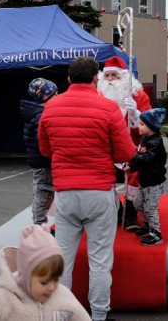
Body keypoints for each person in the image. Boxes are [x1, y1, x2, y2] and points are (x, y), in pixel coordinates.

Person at [38, 56, 136, 321]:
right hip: (99, 191)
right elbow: (126, 151)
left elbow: (45, 149)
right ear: (96, 79)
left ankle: (61, 315)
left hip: (66, 193)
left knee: (63, 260)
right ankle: (99, 315)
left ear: (69, 79)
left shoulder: (51, 107)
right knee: (100, 260)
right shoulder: (107, 108)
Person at [97, 56, 152, 231]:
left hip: (132, 149)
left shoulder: (139, 96)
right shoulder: (98, 97)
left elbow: (150, 127)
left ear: (124, 78)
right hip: (105, 151)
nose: (111, 80)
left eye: (115, 75)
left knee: (135, 175)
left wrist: (136, 115)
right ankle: (115, 208)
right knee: (102, 178)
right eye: (107, 76)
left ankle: (130, 213)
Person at [123, 108, 168, 246]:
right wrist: (132, 167)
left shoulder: (155, 143)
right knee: (137, 203)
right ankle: (147, 225)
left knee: (150, 208)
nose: (138, 126)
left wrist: (132, 154)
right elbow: (141, 161)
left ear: (152, 126)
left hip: (154, 183)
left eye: (142, 124)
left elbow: (146, 159)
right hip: (145, 181)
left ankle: (156, 233)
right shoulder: (145, 140)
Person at [20, 78, 58, 226]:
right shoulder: (41, 116)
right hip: (43, 161)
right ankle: (39, 225)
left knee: (44, 191)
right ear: (46, 96)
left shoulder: (38, 113)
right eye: (55, 94)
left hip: (40, 160)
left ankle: (40, 222)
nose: (58, 96)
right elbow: (43, 140)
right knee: (44, 192)